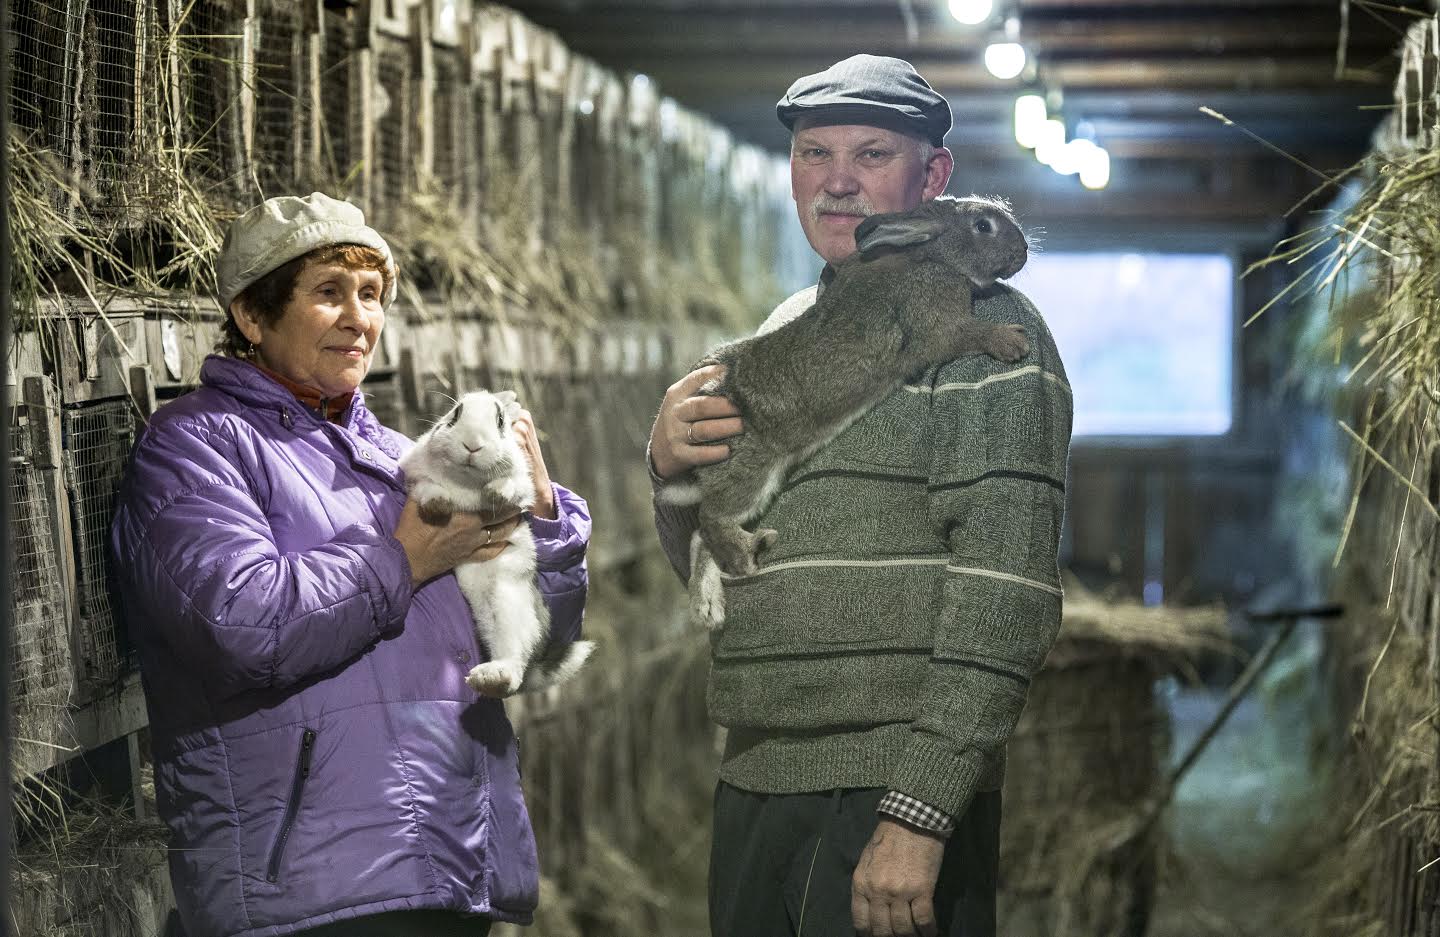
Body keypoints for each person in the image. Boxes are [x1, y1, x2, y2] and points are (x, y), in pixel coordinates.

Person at [648, 56, 1073, 937]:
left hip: (881, 796)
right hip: (757, 777)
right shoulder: (783, 331)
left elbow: (1007, 584)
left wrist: (919, 809)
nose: (837, 181)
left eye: (872, 153)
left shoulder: (987, 333)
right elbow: (721, 576)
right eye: (814, 153)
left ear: (934, 178)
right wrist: (669, 477)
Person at [110, 192, 590, 937]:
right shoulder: (196, 445)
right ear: (252, 314)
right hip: (308, 889)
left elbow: (541, 647)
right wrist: (403, 559)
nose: (359, 317)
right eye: (328, 293)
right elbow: (243, 623)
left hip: (449, 869)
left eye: (371, 295)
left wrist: (545, 525)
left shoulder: (406, 458)